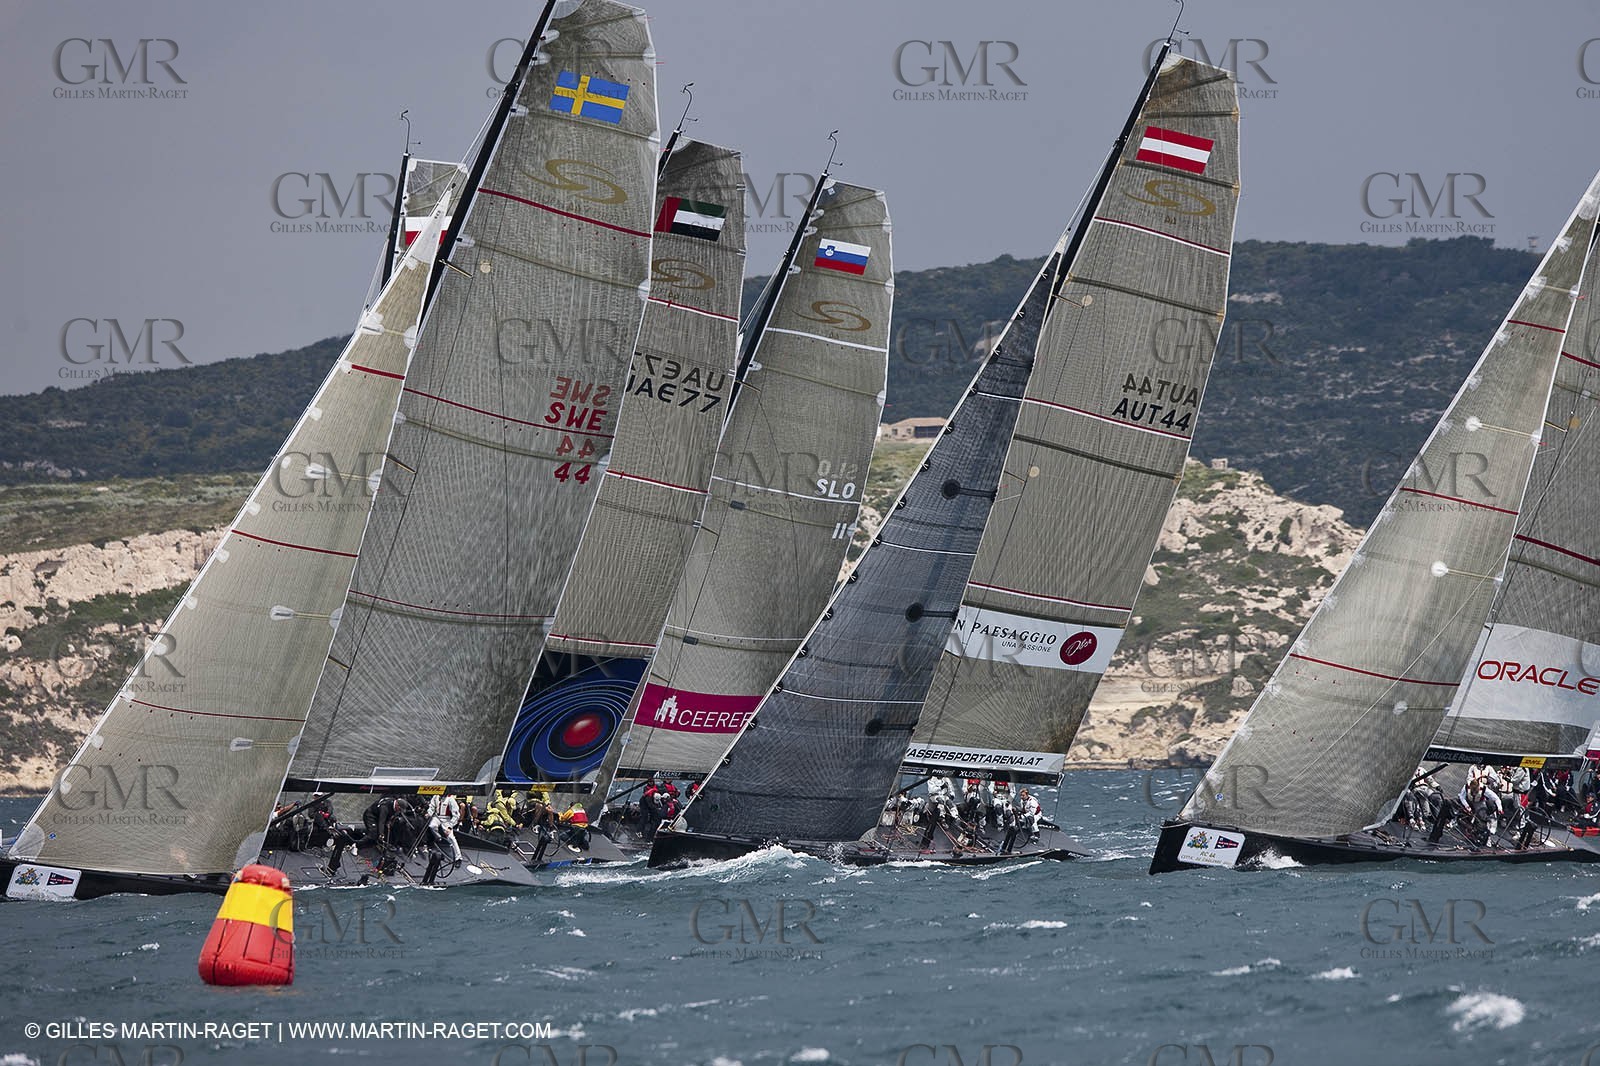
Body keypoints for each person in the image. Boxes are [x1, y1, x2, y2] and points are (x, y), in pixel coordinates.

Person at [427, 792, 464, 863]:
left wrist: (450, 827)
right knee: (432, 826)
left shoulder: (451, 799)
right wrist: (429, 813)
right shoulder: (436, 796)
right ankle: (437, 839)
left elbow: (456, 815)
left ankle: (458, 858)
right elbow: (432, 807)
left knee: (451, 837)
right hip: (437, 817)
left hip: (446, 819)